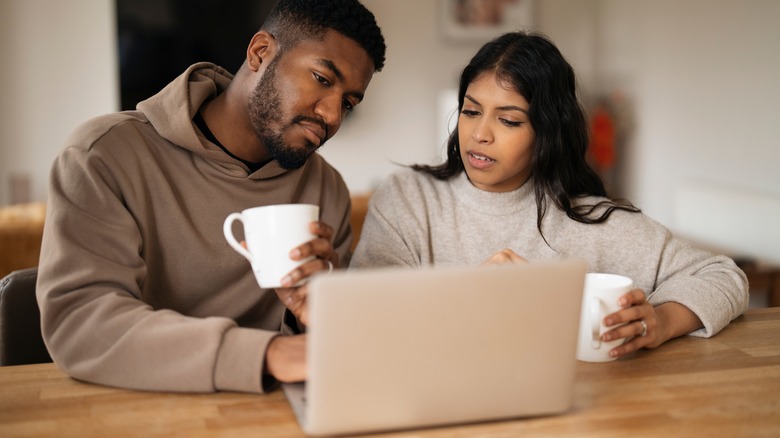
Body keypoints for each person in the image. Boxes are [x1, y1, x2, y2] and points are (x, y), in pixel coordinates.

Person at [36, 0, 385, 393]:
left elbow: (324, 349)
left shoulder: (327, 189)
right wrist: (266, 354)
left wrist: (318, 312)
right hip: (133, 403)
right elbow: (81, 323)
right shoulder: (104, 155)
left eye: (349, 102)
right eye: (322, 78)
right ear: (260, 52)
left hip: (267, 410)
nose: (333, 115)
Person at [350, 31, 748, 359]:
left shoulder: (594, 221)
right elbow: (362, 313)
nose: (480, 133)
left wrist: (659, 323)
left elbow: (723, 276)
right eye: (471, 112)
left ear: (547, 134)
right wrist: (467, 294)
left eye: (508, 120)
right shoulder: (407, 199)